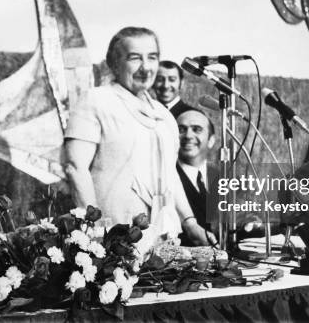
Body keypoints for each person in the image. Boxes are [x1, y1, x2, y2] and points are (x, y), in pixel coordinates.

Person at [64, 27, 212, 245]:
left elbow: (170, 174)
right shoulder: (95, 101)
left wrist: (190, 223)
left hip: (160, 239)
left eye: (152, 58)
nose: (145, 67)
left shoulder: (164, 115)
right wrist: (93, 233)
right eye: (134, 58)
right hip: (113, 240)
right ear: (113, 63)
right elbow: (75, 168)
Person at [175, 109, 219, 245]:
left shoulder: (225, 177)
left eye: (197, 129)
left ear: (211, 140)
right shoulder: (166, 179)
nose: (188, 135)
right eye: (181, 129)